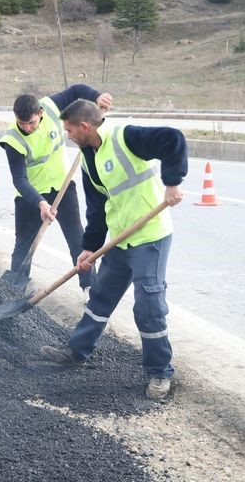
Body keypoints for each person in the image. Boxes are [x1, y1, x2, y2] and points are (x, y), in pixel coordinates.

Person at [40, 99, 187, 402]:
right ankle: (77, 352)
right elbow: (97, 207)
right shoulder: (88, 156)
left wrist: (172, 182)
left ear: (85, 126)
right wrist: (89, 248)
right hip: (120, 238)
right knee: (101, 295)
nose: (66, 135)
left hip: (149, 236)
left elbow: (173, 139)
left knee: (148, 305)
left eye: (69, 130)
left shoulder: (126, 137)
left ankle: (160, 372)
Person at [0, 84, 113, 295]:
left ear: (40, 113)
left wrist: (97, 96)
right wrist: (40, 202)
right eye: (22, 123)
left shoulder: (51, 106)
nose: (27, 128)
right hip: (30, 196)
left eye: (31, 123)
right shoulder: (12, 139)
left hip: (62, 184)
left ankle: (89, 286)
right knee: (24, 245)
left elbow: (76, 90)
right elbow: (19, 180)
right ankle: (14, 288)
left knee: (77, 237)